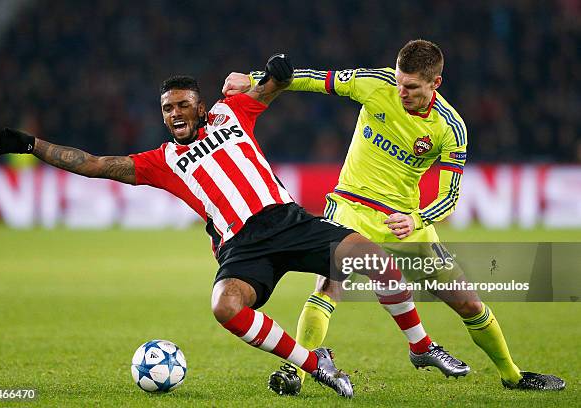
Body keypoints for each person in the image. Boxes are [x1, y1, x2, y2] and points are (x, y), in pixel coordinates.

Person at [0, 54, 428, 399]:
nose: (174, 113)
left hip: (286, 220)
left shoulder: (230, 113)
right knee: (224, 305)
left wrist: (278, 69)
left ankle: (421, 347)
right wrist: (29, 144)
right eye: (166, 108)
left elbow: (274, 85)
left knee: (376, 258)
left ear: (199, 106)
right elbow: (95, 164)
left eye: (182, 105)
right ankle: (315, 362)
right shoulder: (162, 161)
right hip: (242, 245)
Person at [222, 40, 566, 393]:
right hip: (350, 205)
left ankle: (513, 376)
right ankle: (295, 367)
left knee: (468, 302)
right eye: (399, 81)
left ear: (436, 83)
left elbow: (449, 196)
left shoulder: (450, 127)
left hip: (403, 219)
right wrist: (254, 79)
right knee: (329, 286)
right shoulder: (376, 83)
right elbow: (311, 78)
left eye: (411, 86)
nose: (401, 91)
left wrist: (416, 220)